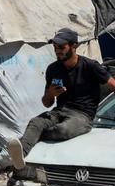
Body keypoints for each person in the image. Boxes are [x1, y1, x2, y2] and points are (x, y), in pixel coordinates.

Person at [6, 28, 115, 170]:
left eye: (62, 47)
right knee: (35, 122)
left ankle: (28, 139)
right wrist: (50, 94)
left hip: (82, 116)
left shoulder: (90, 66)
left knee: (62, 130)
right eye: (55, 47)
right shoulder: (53, 69)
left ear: (74, 46)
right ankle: (20, 157)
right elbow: (47, 103)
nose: (58, 50)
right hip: (59, 111)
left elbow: (113, 85)